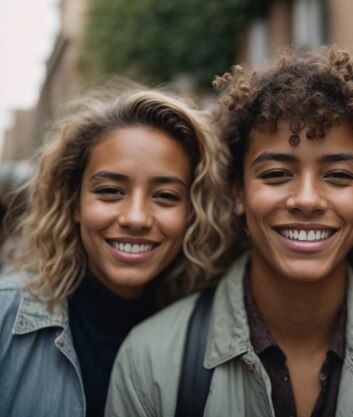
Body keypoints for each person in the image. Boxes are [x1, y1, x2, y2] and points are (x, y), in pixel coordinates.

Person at [105, 47, 353, 417]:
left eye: (339, 176)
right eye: (277, 174)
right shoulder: (150, 364)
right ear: (238, 192)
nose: (307, 200)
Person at [0, 83, 234, 417]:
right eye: (111, 191)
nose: (136, 218)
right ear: (74, 201)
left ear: (193, 212)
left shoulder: (220, 334)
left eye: (165, 195)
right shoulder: (5, 316)